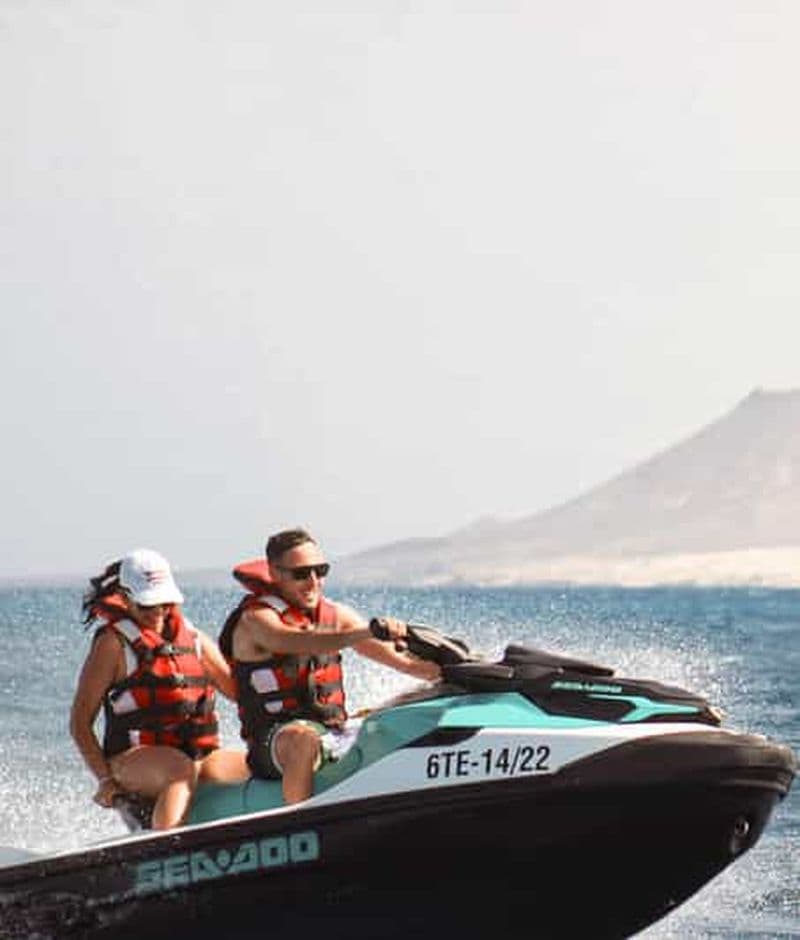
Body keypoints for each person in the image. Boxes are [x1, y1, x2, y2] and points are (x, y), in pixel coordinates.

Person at [218, 528, 442, 804]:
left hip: (332, 731)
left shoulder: (335, 616)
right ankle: (297, 824)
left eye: (320, 570)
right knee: (303, 740)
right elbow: (294, 641)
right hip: (274, 742)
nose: (313, 581)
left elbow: (406, 664)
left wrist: (446, 670)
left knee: (408, 707)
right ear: (275, 574)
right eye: (301, 573)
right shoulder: (255, 621)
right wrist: (364, 632)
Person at [70, 548, 247, 830]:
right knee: (178, 769)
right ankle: (164, 851)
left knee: (258, 767)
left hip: (196, 758)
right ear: (126, 599)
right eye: (146, 605)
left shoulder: (194, 639)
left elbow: (241, 693)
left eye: (163, 603)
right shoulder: (113, 644)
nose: (157, 612)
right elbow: (80, 723)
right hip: (131, 762)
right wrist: (105, 779)